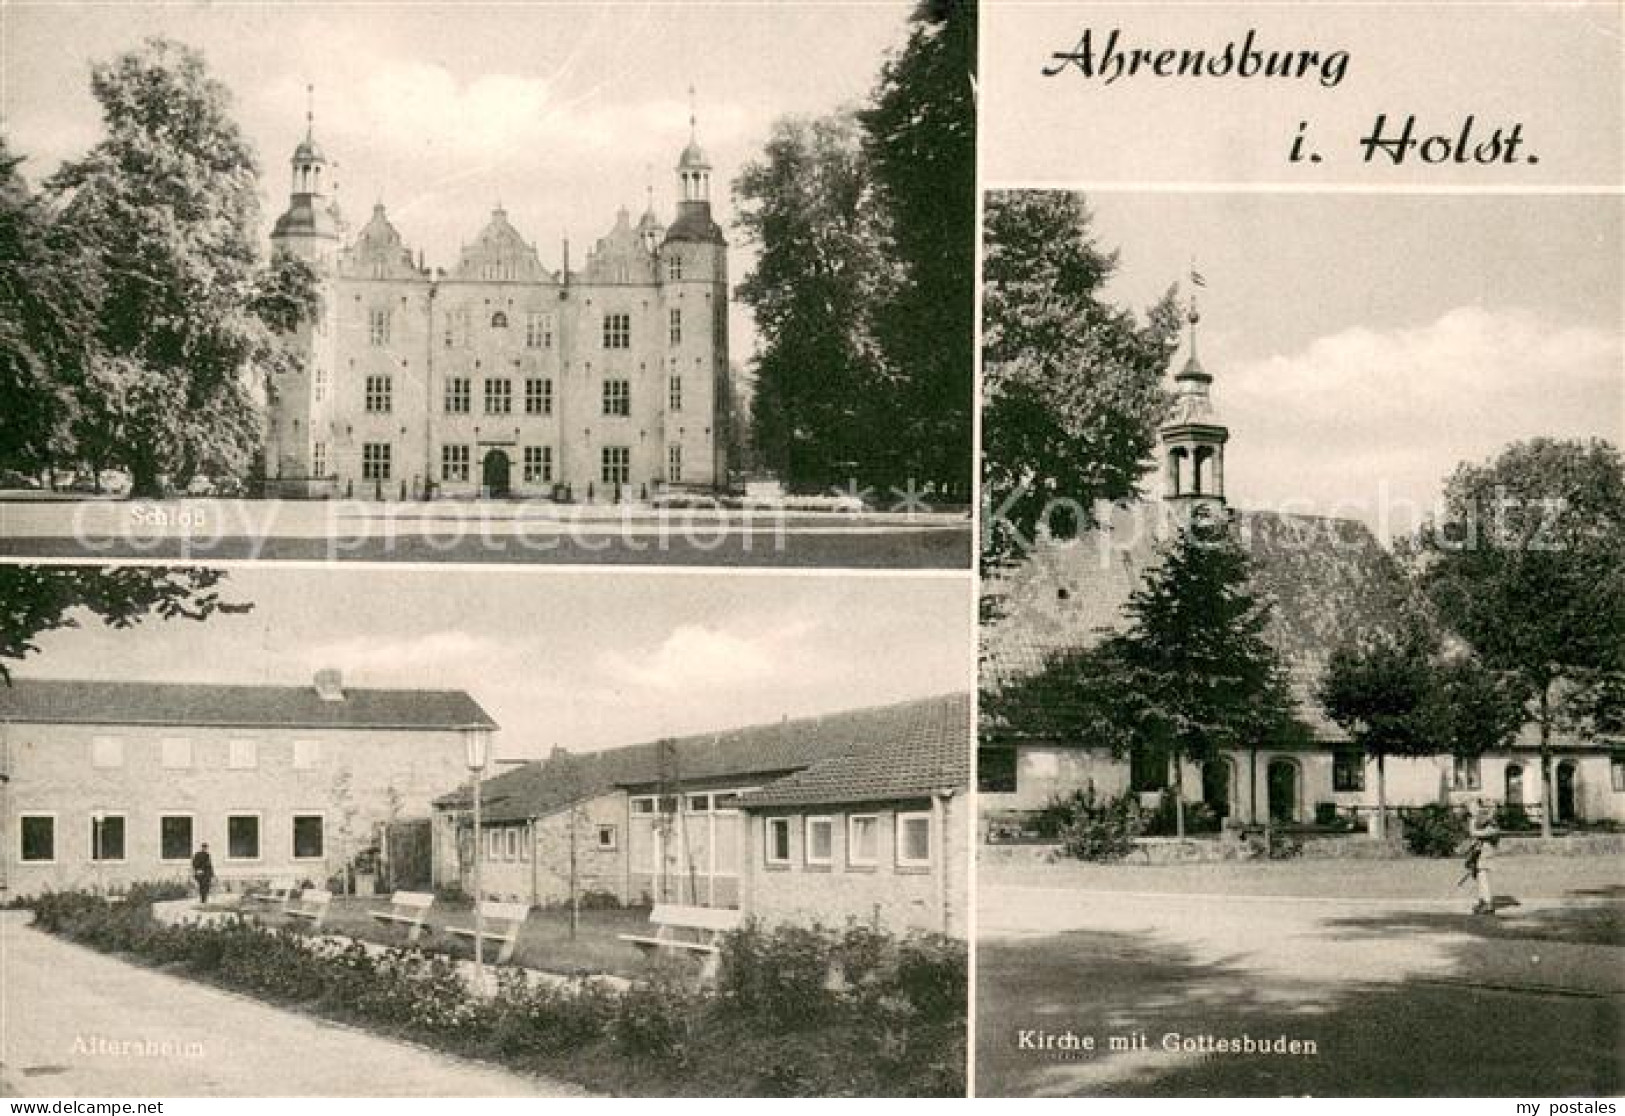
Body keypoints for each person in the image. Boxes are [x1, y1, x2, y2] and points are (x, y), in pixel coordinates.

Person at [1466, 800, 1500, 915]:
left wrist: (1473, 822)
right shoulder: (1483, 821)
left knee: (1483, 876)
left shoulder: (1491, 824)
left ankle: (1487, 903)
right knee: (1479, 876)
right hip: (1481, 852)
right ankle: (1483, 900)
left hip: (1486, 852)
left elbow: (1474, 833)